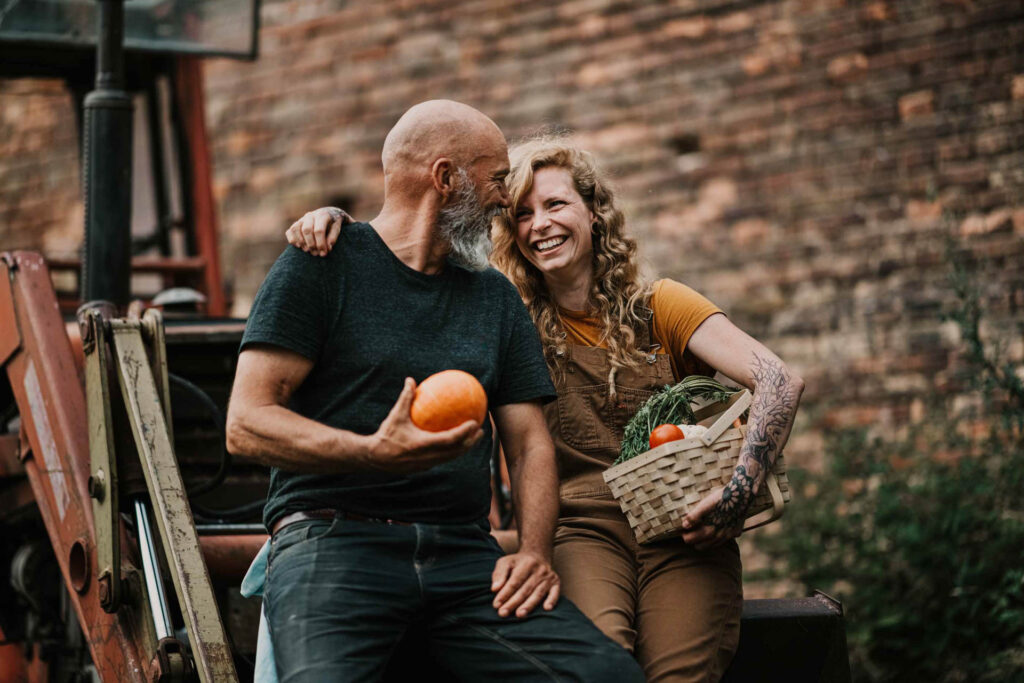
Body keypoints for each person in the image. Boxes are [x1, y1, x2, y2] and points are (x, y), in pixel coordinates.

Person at [290, 137, 805, 681]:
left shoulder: (662, 305)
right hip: (581, 530)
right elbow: (411, 263)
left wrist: (740, 490)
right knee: (592, 665)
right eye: (522, 214)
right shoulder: (503, 319)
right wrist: (341, 227)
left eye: (556, 205)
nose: (540, 224)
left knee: (681, 674)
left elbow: (778, 378)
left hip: (683, 531)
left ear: (594, 212)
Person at [227, 104, 644, 682]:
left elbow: (529, 446)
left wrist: (534, 552)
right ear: (446, 179)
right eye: (497, 179)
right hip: (333, 541)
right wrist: (371, 452)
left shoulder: (494, 298)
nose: (505, 200)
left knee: (606, 677)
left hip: (462, 557)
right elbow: (246, 422)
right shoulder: (319, 267)